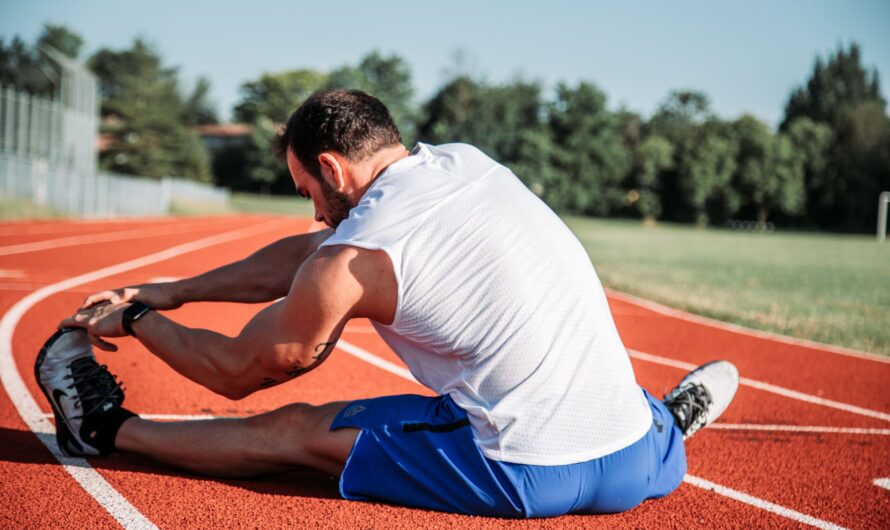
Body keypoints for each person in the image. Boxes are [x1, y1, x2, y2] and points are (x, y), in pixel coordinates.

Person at [36, 89, 738, 518]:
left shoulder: (351, 258)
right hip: (632, 463)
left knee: (293, 431)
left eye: (307, 191)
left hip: (522, 469)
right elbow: (313, 255)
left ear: (333, 170)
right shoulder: (464, 163)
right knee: (585, 371)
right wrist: (175, 290)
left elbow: (239, 370)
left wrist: (136, 318)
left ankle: (103, 431)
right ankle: (668, 425)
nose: (312, 212)